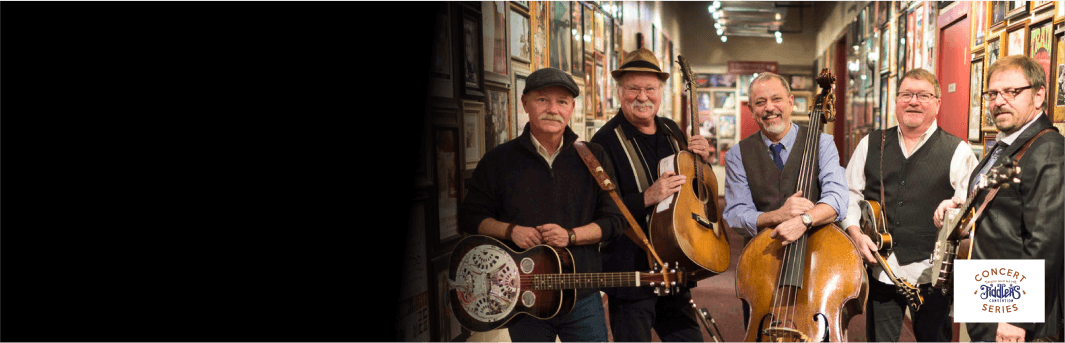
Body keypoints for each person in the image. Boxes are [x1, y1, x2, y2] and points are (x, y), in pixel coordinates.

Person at [458, 67, 625, 342]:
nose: (553, 109)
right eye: (542, 100)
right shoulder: (498, 160)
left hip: (581, 296)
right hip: (524, 298)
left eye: (562, 102)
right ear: (525, 103)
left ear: (571, 108)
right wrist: (511, 231)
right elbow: (470, 217)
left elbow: (614, 220)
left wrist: (570, 236)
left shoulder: (593, 157)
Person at [841, 68, 978, 342]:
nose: (913, 101)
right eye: (906, 94)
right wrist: (855, 233)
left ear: (937, 103)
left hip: (932, 275)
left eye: (923, 95)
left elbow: (970, 210)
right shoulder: (870, 144)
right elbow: (849, 195)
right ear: (896, 100)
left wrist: (953, 206)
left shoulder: (958, 150)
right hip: (881, 268)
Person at [935, 55, 1063, 343]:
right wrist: (958, 205)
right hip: (989, 297)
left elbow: (1046, 240)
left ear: (1039, 95)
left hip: (1013, 310)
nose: (999, 101)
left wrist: (1018, 317)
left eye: (1012, 92)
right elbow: (1002, 205)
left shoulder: (1048, 149)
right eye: (993, 93)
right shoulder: (1007, 145)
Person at [590, 47, 711, 343]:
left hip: (673, 265)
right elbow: (597, 211)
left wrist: (702, 161)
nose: (642, 96)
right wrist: (646, 196)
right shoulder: (603, 142)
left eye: (650, 88)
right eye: (633, 89)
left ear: (661, 92)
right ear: (619, 92)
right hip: (631, 273)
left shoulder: (671, 130)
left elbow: (692, 190)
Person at [721, 72, 848, 326]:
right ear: (750, 109)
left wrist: (804, 220)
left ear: (791, 102)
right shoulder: (737, 155)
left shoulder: (823, 144)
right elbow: (735, 214)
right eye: (760, 102)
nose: (769, 108)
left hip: (815, 259)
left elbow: (838, 199)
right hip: (761, 262)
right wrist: (779, 215)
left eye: (776, 99)